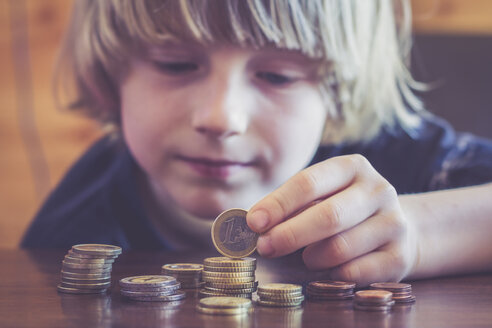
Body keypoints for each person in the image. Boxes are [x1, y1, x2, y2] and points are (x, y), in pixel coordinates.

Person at [21, 0, 492, 286]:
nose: (223, 118)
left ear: (335, 95)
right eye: (175, 65)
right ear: (109, 76)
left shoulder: (388, 158)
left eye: (276, 75)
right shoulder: (66, 240)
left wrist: (421, 234)